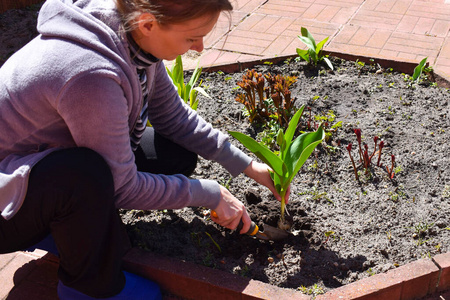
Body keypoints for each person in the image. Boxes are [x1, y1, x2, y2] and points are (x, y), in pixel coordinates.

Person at [0, 0, 287, 299]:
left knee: (174, 155)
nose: (200, 48)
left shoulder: (129, 32)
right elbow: (123, 187)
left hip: (34, 167)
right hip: (5, 206)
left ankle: (68, 224)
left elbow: (173, 117)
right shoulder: (91, 76)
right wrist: (211, 193)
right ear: (148, 24)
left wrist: (248, 166)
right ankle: (88, 288)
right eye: (191, 38)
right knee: (84, 175)